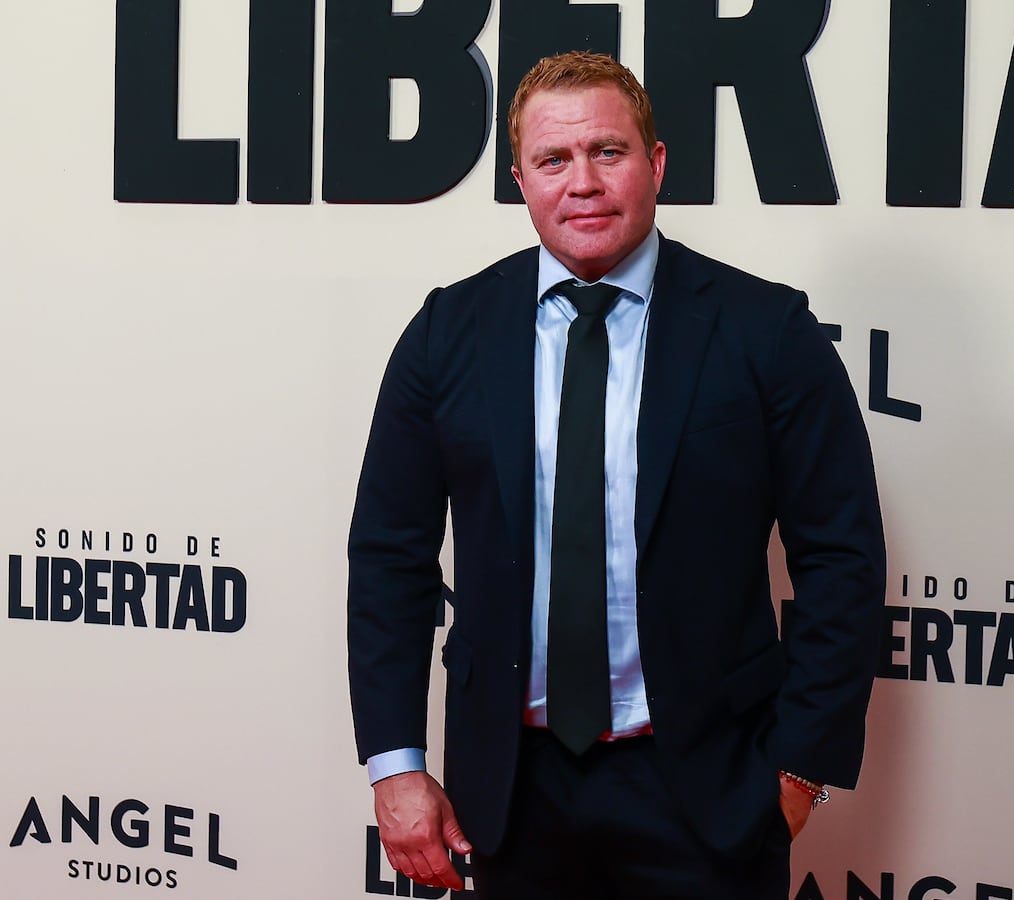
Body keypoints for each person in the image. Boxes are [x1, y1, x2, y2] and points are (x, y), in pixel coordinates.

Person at [347, 50, 885, 899]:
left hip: (710, 794)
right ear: (521, 181)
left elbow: (841, 557)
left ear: (656, 163)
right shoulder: (448, 332)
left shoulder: (766, 330)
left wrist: (798, 776)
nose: (584, 183)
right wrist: (395, 766)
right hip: (509, 795)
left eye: (608, 152)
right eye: (553, 160)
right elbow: (388, 556)